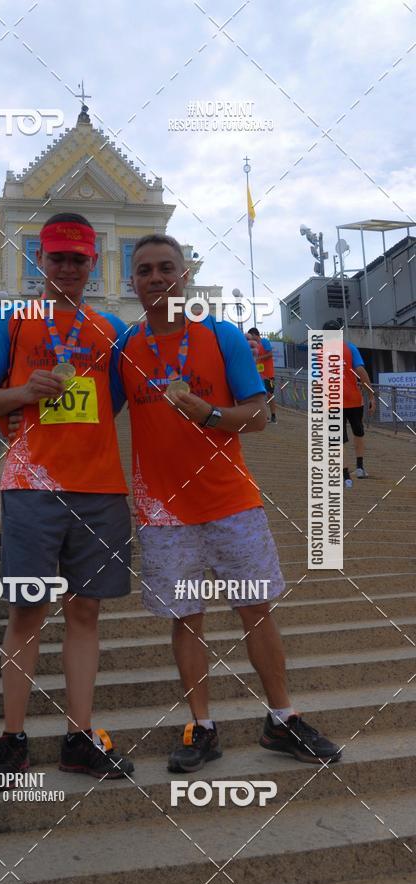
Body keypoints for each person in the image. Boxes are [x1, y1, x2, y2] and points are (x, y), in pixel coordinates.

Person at [112, 234, 341, 772]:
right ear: (133, 282)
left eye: (166, 267)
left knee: (254, 610)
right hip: (163, 512)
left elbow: (260, 414)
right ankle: (202, 726)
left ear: (184, 274)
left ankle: (282, 718)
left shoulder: (222, 335)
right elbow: (97, 414)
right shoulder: (125, 347)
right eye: (144, 270)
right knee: (187, 618)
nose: (155, 278)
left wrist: (209, 414)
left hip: (231, 501)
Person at [0, 212, 134, 781]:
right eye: (57, 256)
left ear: (92, 263)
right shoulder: (12, 323)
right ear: (42, 260)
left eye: (77, 258)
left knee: (84, 612)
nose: (67, 266)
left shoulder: (111, 329)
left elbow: (113, 403)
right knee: (26, 610)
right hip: (32, 487)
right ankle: (12, 737)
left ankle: (79, 736)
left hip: (99, 487)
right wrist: (22, 392)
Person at [322, 320, 376, 488]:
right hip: (354, 400)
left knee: (337, 441)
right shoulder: (350, 348)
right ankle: (360, 468)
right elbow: (361, 372)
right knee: (358, 432)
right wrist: (371, 395)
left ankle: (346, 477)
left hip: (332, 402)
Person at [247, 327, 277, 423]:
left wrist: (259, 357)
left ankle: (273, 416)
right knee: (261, 396)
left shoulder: (264, 341)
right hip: (259, 375)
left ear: (255, 335)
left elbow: (270, 354)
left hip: (268, 374)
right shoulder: (255, 346)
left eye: (251, 337)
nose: (251, 339)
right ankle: (265, 416)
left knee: (270, 395)